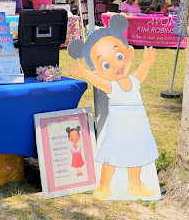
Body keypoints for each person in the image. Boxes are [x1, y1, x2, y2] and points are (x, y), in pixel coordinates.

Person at [68, 15, 158, 200]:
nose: (117, 65)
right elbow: (97, 81)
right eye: (106, 64)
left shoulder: (133, 81)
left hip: (138, 128)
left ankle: (136, 184)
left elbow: (141, 72)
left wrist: (147, 62)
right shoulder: (112, 86)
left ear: (130, 52)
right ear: (98, 70)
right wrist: (84, 73)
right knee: (112, 157)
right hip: (119, 130)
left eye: (119, 56)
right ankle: (104, 186)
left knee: (137, 155)